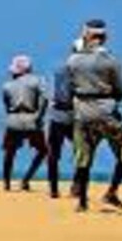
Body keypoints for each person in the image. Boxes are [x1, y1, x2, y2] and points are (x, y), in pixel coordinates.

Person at [66, 19, 122, 212]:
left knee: (83, 158)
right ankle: (111, 192)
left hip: (81, 112)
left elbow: (69, 88)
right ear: (104, 37)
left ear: (86, 36)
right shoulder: (111, 61)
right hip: (106, 111)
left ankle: (82, 202)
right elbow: (120, 91)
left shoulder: (72, 60)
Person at [2, 55, 49, 192]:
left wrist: (10, 115)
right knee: (43, 151)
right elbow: (45, 99)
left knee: (9, 152)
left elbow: (6, 103)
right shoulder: (38, 81)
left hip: (13, 119)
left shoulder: (7, 85)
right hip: (32, 119)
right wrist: (40, 116)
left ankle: (6, 183)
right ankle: (26, 179)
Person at [47, 63, 77, 199]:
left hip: (56, 116)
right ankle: (76, 187)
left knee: (53, 155)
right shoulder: (82, 72)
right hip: (73, 117)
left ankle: (54, 189)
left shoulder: (59, 70)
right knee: (82, 152)